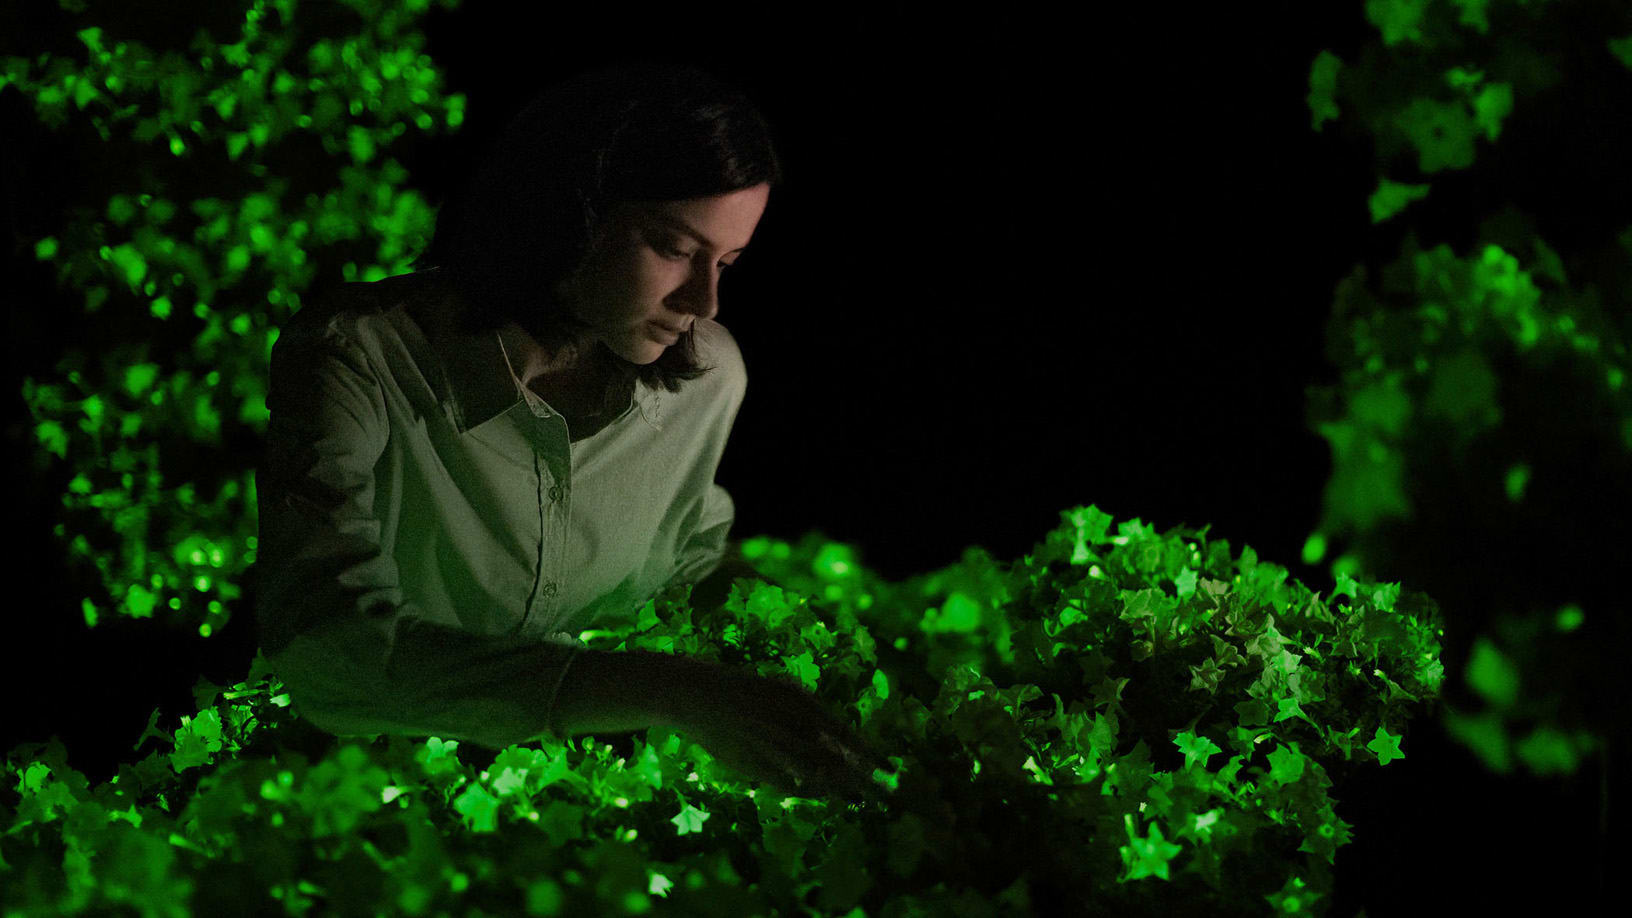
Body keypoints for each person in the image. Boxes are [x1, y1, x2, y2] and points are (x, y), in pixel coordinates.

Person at [253, 59, 889, 804]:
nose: (705, 301)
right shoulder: (361, 357)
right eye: (676, 249)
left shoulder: (707, 380)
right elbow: (332, 651)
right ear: (570, 213)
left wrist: (808, 653)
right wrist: (664, 691)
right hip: (349, 810)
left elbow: (683, 567)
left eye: (729, 261)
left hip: (585, 814)